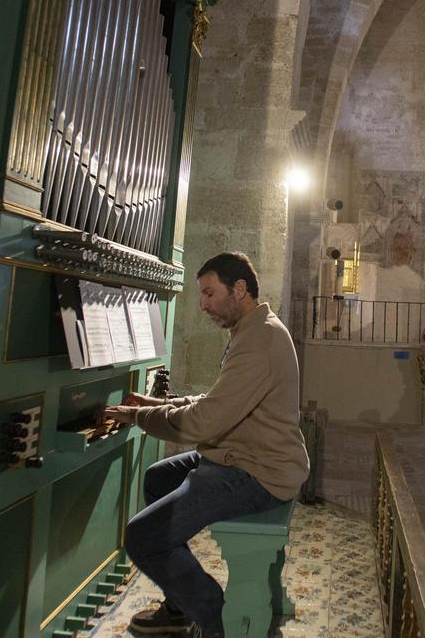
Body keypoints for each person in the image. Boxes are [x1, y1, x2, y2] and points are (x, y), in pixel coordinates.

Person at [103, 252, 309, 638]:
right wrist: (159, 405)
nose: (203, 304)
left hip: (257, 471)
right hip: (239, 454)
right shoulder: (251, 329)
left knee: (142, 536)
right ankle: (179, 607)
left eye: (210, 293)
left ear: (240, 289)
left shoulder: (259, 341)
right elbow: (217, 401)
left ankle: (221, 625)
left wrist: (139, 418)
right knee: (157, 478)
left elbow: (205, 421)